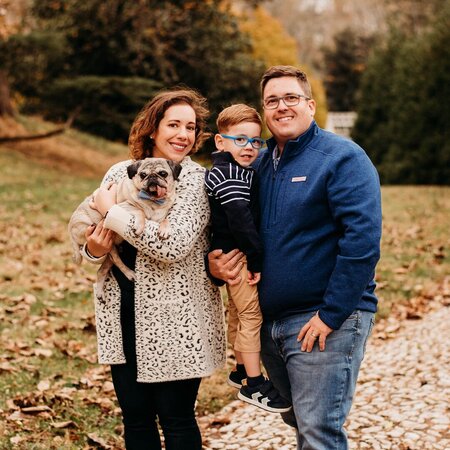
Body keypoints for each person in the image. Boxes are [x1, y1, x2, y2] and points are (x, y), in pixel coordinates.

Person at [208, 66, 382, 450]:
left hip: (322, 321)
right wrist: (216, 264)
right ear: (264, 110)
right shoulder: (257, 163)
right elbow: (231, 222)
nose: (281, 107)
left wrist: (332, 314)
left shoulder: (342, 158)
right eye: (272, 101)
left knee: (319, 432)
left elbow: (363, 242)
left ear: (310, 104)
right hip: (268, 321)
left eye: (291, 98)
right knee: (301, 424)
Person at [80, 88, 226, 450]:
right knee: (135, 419)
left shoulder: (196, 181)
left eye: (190, 127)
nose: (183, 134)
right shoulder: (119, 171)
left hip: (177, 320)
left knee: (176, 420)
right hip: (122, 312)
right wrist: (93, 249)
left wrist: (113, 212)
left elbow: (172, 246)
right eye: (173, 124)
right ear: (152, 129)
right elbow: (93, 238)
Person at [204, 104, 291, 413]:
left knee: (238, 314)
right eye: (240, 139)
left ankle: (240, 368)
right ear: (220, 141)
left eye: (256, 141)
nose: (250, 147)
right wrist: (254, 259)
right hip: (237, 256)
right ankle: (253, 382)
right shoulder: (230, 176)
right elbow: (241, 221)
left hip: (231, 254)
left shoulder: (231, 170)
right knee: (251, 316)